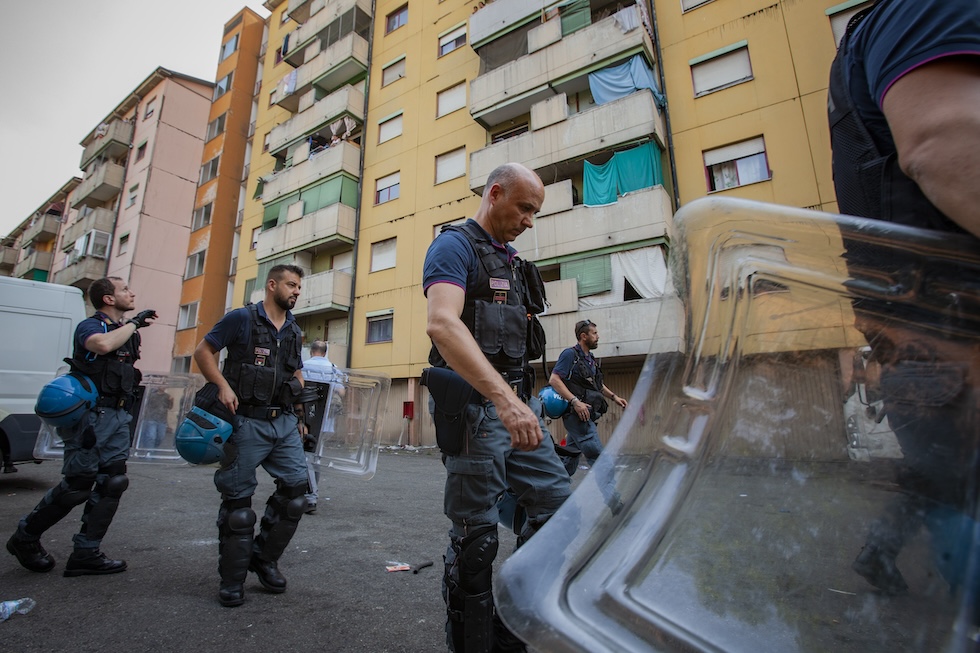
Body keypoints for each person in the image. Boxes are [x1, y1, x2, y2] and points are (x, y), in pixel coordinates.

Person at [828, 0, 980, 605]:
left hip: (926, 354)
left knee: (937, 487)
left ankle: (882, 554)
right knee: (946, 488)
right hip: (949, 347)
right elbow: (944, 144)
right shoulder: (926, 8)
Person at [423, 162, 571, 652]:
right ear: (495, 193)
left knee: (557, 512)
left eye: (536, 212)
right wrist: (506, 402)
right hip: (476, 409)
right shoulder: (454, 246)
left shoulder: (510, 261)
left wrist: (519, 401)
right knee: (476, 542)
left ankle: (510, 628)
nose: (530, 220)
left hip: (515, 402)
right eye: (525, 207)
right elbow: (443, 325)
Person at [7, 277, 155, 576]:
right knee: (77, 486)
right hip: (91, 417)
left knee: (113, 482)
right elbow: (101, 346)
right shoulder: (93, 326)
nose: (132, 291)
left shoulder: (127, 333)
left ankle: (86, 553)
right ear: (108, 299)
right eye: (125, 289)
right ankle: (24, 537)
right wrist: (135, 323)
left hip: (118, 416)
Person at [193, 264, 309, 608]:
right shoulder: (240, 319)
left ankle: (263, 559)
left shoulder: (293, 330)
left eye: (299, 287)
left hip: (283, 423)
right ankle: (232, 579)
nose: (296, 291)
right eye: (291, 285)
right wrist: (223, 385)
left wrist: (297, 390)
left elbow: (297, 369)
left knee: (297, 493)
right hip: (244, 422)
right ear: (271, 285)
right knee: (238, 507)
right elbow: (202, 351)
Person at [548, 319, 628, 477]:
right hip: (578, 416)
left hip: (586, 414)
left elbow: (598, 384)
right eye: (594, 333)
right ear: (583, 336)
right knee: (600, 460)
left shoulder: (589, 358)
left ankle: (550, 490)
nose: (598, 337)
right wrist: (575, 402)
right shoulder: (570, 354)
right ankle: (614, 501)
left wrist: (614, 397)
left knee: (569, 459)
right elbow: (554, 380)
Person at [300, 339, 346, 515]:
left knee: (306, 457)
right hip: (326, 421)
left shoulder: (303, 366)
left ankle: (310, 497)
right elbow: (341, 391)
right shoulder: (333, 369)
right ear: (325, 352)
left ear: (311, 351)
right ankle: (310, 493)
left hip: (306, 419)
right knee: (315, 458)